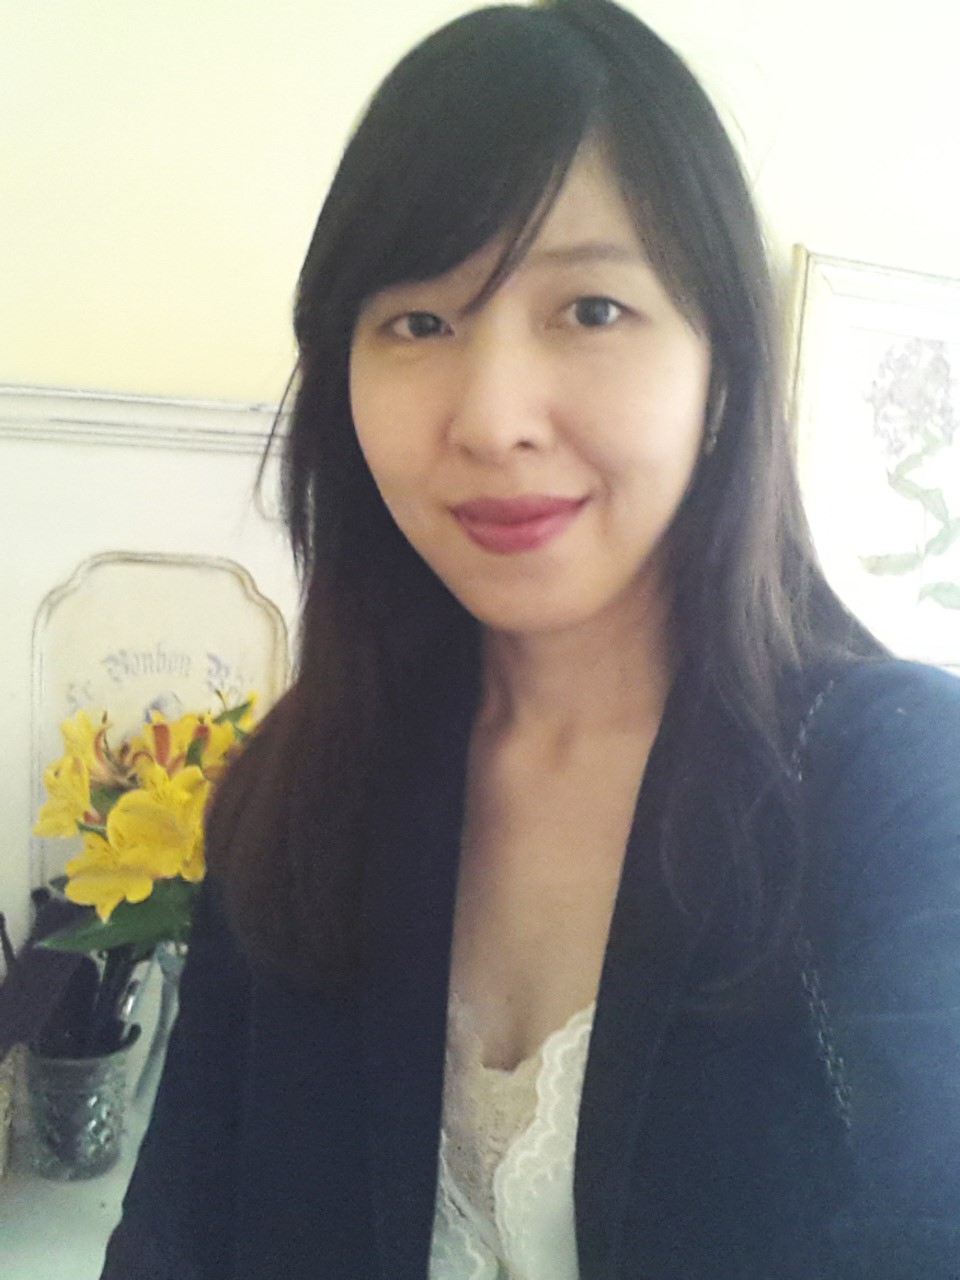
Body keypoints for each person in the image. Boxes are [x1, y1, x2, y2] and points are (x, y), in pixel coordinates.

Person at [100, 2, 960, 1277]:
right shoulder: (297, 790)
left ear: (722, 366)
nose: (493, 417)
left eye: (591, 308)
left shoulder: (901, 784)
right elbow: (174, 1233)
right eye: (420, 322)